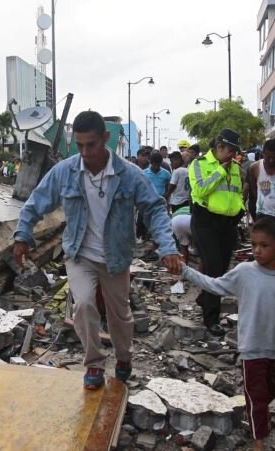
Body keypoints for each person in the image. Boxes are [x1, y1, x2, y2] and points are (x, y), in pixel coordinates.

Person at [13, 111, 182, 389]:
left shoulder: (129, 175)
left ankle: (124, 357)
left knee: (119, 315)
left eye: (91, 144)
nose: (85, 152)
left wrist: (168, 247)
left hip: (116, 256)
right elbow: (36, 202)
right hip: (80, 254)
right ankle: (94, 363)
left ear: (105, 138)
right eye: (79, 145)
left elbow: (154, 208)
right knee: (83, 306)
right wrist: (22, 235)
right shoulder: (65, 171)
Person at [181, 217, 275, 451]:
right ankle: (259, 447)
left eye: (264, 246)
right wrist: (185, 271)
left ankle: (260, 422)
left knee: (268, 395)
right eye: (253, 244)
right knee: (256, 398)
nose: (257, 251)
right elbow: (214, 285)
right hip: (252, 348)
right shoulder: (245, 272)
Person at [189, 128, 246, 336]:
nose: (233, 155)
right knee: (213, 268)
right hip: (205, 221)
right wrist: (221, 170)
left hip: (228, 223)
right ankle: (211, 318)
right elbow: (200, 189)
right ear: (219, 146)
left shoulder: (236, 167)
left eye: (235, 151)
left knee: (221, 269)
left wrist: (240, 210)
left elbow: (237, 193)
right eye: (230, 150)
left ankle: (204, 298)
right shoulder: (200, 164)